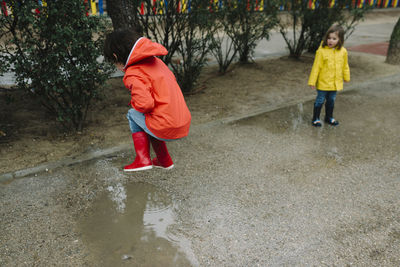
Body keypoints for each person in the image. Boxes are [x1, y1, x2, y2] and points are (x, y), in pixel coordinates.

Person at [104, 29, 191, 172]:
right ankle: (164, 160)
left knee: (133, 114)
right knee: (149, 120)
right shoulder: (157, 63)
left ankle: (143, 160)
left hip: (166, 127)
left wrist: (134, 103)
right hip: (182, 123)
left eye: (114, 63)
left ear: (115, 56)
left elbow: (145, 104)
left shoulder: (134, 73)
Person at [308, 25, 350, 127]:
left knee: (331, 100)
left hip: (335, 83)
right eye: (329, 38)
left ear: (340, 40)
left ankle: (329, 117)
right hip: (323, 82)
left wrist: (346, 76)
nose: (330, 41)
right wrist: (312, 81)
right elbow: (316, 67)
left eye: (334, 39)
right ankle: (316, 118)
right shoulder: (321, 51)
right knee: (320, 100)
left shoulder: (343, 51)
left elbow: (345, 65)